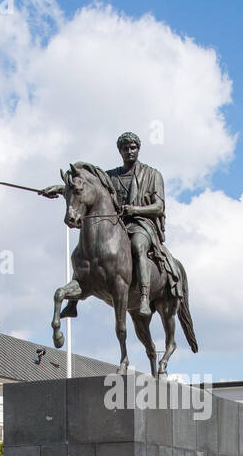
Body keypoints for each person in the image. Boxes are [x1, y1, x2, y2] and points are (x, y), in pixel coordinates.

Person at [42, 132, 178, 319]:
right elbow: (84, 188)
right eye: (125, 148)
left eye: (133, 148)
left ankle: (145, 297)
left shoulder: (152, 174)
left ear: (138, 149)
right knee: (85, 250)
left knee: (138, 245)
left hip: (141, 224)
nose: (129, 151)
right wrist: (58, 189)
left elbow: (158, 206)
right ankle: (75, 299)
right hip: (116, 225)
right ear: (119, 151)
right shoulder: (111, 176)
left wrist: (135, 210)